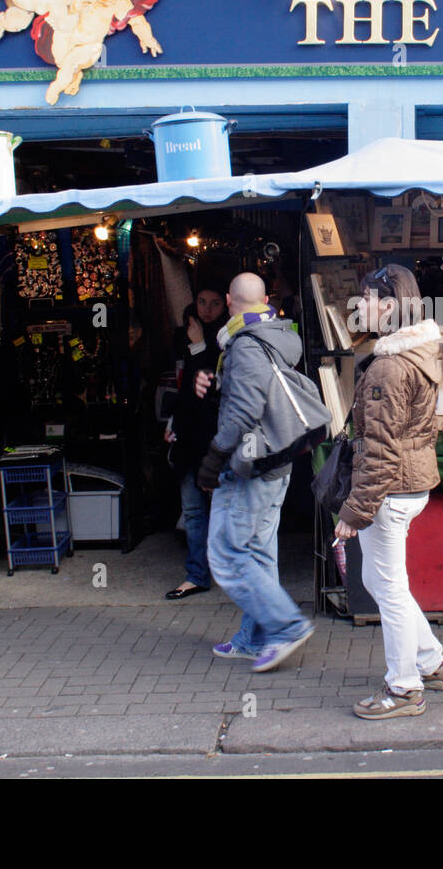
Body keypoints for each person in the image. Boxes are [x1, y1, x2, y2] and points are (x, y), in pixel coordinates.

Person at [333, 264, 443, 718]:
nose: (357, 305)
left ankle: (404, 688)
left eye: (363, 298)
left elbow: (380, 453)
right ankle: (432, 663)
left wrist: (352, 512)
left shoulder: (387, 366)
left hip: (390, 489)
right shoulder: (419, 353)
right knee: (382, 582)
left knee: (388, 586)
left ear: (386, 305)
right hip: (408, 483)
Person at [193, 273, 314, 672]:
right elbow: (252, 392)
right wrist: (214, 385)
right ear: (265, 300)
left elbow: (244, 411)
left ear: (229, 300)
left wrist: (213, 460)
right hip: (276, 462)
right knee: (258, 553)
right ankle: (253, 639)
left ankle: (286, 626)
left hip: (251, 466)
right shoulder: (274, 335)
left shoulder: (244, 345)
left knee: (229, 553)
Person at [164, 286, 225, 600]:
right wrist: (174, 421)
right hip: (189, 438)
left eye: (215, 303)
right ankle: (197, 574)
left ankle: (232, 574)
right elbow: (187, 387)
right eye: (202, 302)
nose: (208, 309)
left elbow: (210, 387)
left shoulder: (227, 339)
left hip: (214, 440)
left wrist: (200, 343)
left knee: (224, 509)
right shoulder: (186, 335)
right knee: (192, 511)